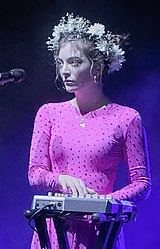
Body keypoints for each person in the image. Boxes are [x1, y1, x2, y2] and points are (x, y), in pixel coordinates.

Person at [28, 13, 151, 249]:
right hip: (54, 230)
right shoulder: (49, 113)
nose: (64, 70)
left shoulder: (126, 118)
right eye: (60, 62)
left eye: (74, 62)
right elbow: (35, 173)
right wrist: (60, 178)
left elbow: (142, 183)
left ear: (97, 66)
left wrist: (106, 201)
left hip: (99, 229)